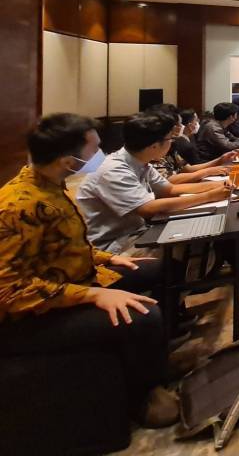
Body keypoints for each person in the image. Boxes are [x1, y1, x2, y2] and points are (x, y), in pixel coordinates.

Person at [0, 114, 179, 427]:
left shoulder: (52, 186)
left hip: (77, 278)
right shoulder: (17, 206)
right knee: (143, 315)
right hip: (32, 314)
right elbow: (8, 290)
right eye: (95, 149)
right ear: (68, 161)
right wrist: (91, 295)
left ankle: (159, 360)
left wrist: (104, 259)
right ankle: (144, 397)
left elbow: (60, 246)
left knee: (161, 268)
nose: (102, 154)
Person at [76, 110, 233, 253]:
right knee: (200, 237)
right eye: (170, 139)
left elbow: (169, 189)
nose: (172, 142)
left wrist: (219, 185)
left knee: (212, 229)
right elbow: (148, 208)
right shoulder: (113, 169)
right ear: (154, 146)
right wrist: (208, 196)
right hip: (114, 245)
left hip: (138, 230)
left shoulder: (140, 161)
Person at [147, 104, 237, 184]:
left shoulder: (172, 146)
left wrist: (220, 160)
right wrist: (208, 173)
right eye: (179, 124)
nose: (181, 127)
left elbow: (187, 168)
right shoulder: (153, 152)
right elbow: (168, 181)